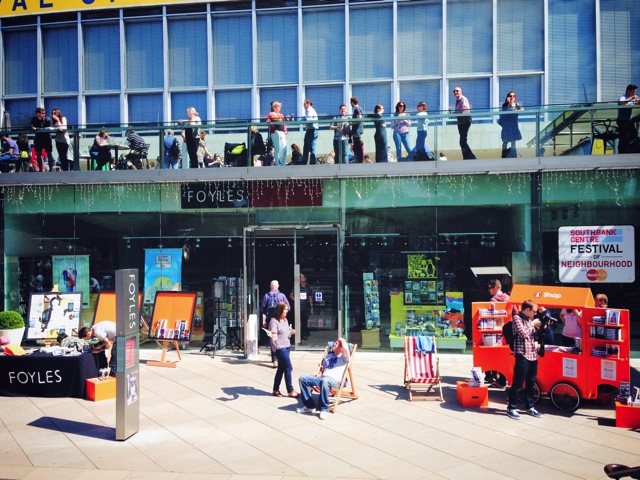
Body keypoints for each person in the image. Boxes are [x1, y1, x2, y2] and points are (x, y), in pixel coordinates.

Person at [297, 337, 350, 420]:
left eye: (336, 343)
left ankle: (323, 409)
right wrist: (319, 373)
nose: (333, 344)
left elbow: (346, 349)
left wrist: (341, 339)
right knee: (303, 378)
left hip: (335, 381)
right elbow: (323, 368)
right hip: (323, 378)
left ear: (341, 348)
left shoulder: (344, 357)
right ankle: (309, 406)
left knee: (325, 381)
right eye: (334, 343)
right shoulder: (328, 355)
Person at [506, 300, 543, 420]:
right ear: (527, 310)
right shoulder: (517, 318)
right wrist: (533, 325)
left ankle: (530, 407)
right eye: (534, 311)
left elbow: (534, 335)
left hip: (532, 354)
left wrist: (541, 327)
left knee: (531, 383)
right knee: (518, 383)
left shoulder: (530, 320)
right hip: (522, 354)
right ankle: (511, 408)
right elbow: (523, 333)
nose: (535, 314)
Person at [267, 301, 299, 398]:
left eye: (287, 309)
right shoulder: (274, 321)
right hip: (280, 348)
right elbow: (273, 335)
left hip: (287, 346)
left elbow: (285, 333)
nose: (287, 311)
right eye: (285, 309)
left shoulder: (285, 320)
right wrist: (274, 339)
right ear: (280, 310)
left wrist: (291, 332)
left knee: (281, 368)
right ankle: (290, 390)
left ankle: (275, 389)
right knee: (289, 367)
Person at [260, 280, 290, 367]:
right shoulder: (282, 296)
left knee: (273, 339)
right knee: (282, 338)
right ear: (278, 286)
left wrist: (264, 321)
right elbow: (288, 307)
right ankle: (282, 357)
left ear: (270, 287)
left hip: (271, 320)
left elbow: (263, 309)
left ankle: (275, 360)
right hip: (280, 319)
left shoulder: (266, 296)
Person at [453, 87, 477, 159]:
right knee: (462, 140)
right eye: (454, 91)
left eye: (457, 91)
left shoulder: (463, 99)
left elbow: (464, 109)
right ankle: (467, 156)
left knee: (463, 140)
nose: (455, 92)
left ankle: (470, 157)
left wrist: (455, 113)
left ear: (461, 92)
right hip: (460, 121)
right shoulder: (457, 100)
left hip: (465, 120)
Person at [498, 91, 523, 158]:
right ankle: (504, 155)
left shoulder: (517, 105)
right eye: (510, 96)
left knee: (513, 142)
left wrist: (515, 107)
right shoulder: (505, 105)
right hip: (506, 126)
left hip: (513, 126)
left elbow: (522, 110)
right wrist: (509, 103)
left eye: (513, 96)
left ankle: (513, 155)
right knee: (505, 141)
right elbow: (505, 112)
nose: (512, 97)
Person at [290, 274, 314, 340]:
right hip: (298, 308)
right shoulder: (296, 287)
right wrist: (295, 299)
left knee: (304, 323)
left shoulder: (309, 288)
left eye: (304, 281)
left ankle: (303, 336)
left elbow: (310, 298)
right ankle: (297, 336)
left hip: (305, 308)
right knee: (297, 323)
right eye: (302, 281)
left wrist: (311, 308)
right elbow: (291, 295)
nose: (303, 283)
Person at [617, 84, 640, 154]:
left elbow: (637, 103)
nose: (634, 94)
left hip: (628, 120)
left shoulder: (632, 98)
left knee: (634, 133)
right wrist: (631, 98)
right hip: (622, 121)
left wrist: (637, 99)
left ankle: (629, 147)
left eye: (635, 92)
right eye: (633, 92)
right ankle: (622, 150)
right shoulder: (623, 97)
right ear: (628, 91)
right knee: (623, 136)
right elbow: (621, 103)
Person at [30, 107, 54, 172]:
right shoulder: (34, 119)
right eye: (42, 113)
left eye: (44, 113)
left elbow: (49, 127)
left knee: (49, 153)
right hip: (38, 138)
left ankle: (51, 169)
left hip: (46, 137)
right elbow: (31, 126)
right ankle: (40, 169)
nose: (44, 114)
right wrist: (33, 128)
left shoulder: (47, 119)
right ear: (38, 113)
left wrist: (37, 128)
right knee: (38, 153)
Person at [266, 101, 287, 166]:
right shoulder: (271, 114)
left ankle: (282, 162)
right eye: (278, 106)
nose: (279, 108)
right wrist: (270, 122)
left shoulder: (281, 115)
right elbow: (268, 120)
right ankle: (277, 163)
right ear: (275, 108)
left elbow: (284, 123)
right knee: (277, 148)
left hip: (282, 132)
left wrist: (285, 130)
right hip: (275, 132)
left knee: (284, 148)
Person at [302, 98, 318, 165]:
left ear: (308, 104)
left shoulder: (309, 110)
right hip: (312, 130)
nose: (303, 106)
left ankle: (307, 162)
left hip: (311, 130)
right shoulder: (310, 110)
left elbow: (308, 119)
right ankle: (312, 162)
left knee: (308, 147)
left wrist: (302, 120)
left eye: (304, 104)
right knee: (311, 146)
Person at [350, 97, 364, 163]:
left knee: (357, 147)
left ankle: (359, 160)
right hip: (357, 131)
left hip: (357, 131)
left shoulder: (357, 109)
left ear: (352, 102)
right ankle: (359, 160)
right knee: (357, 146)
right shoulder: (360, 108)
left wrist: (350, 123)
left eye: (351, 103)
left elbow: (359, 119)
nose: (350, 104)